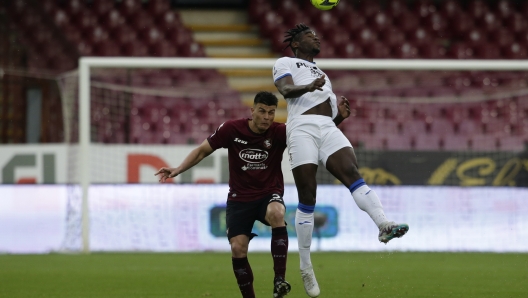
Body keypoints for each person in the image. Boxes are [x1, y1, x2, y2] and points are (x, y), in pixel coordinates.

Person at [273, 24, 409, 298]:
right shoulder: (285, 62)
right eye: (310, 35)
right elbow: (286, 91)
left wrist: (340, 118)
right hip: (301, 128)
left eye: (317, 34)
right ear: (297, 44)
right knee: (308, 195)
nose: (316, 37)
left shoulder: (324, 75)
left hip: (328, 128)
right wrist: (309, 85)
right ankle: (305, 265)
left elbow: (325, 111)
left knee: (352, 172)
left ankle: (383, 225)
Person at [155, 91, 291, 298]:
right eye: (262, 111)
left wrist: (338, 119)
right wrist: (178, 169)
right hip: (240, 198)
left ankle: (279, 280)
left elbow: (312, 134)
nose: (266, 117)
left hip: (268, 193)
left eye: (271, 113)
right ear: (252, 110)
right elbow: (202, 150)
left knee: (277, 213)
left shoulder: (280, 132)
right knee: (238, 248)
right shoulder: (231, 129)